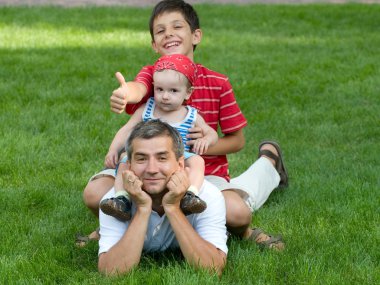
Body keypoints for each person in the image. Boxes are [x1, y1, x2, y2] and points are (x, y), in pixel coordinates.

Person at [83, 0, 287, 249]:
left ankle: (268, 165)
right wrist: (127, 93)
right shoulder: (153, 76)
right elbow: (138, 89)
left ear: (196, 35)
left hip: (203, 173)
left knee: (235, 213)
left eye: (177, 27)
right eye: (160, 31)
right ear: (154, 45)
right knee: (95, 194)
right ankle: (114, 221)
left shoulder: (218, 83)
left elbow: (237, 141)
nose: (168, 33)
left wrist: (192, 149)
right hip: (147, 167)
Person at [98, 119, 227, 276]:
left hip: (224, 189)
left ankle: (266, 157)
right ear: (129, 165)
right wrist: (143, 208)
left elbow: (212, 269)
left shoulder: (208, 195)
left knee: (240, 210)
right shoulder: (115, 201)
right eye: (141, 158)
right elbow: (110, 272)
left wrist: (173, 208)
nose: (152, 169)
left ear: (180, 164)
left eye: (162, 158)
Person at [99, 54, 218, 221]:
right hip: (144, 155)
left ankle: (190, 196)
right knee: (124, 159)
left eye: (173, 91)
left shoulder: (191, 115)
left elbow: (211, 133)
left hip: (178, 157)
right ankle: (121, 199)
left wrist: (205, 140)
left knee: (198, 161)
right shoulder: (147, 109)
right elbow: (127, 129)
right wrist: (113, 149)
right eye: (159, 89)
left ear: (188, 93)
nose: (165, 96)